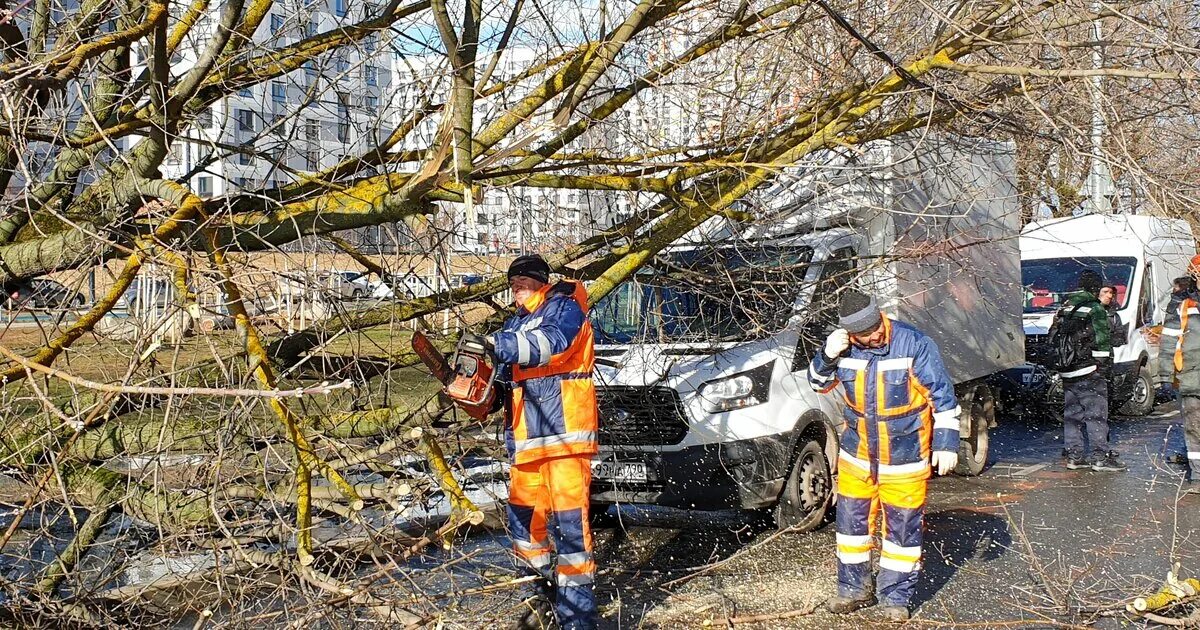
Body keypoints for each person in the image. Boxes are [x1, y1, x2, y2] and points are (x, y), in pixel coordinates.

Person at [807, 290, 961, 622]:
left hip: (905, 457)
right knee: (851, 529)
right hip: (857, 456)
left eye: (875, 325)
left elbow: (942, 396)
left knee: (902, 533)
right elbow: (818, 383)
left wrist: (947, 442)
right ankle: (853, 590)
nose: (874, 334)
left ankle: (896, 596)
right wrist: (826, 356)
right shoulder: (842, 348)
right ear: (850, 333)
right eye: (864, 332)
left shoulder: (914, 344)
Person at [473, 254, 599, 630]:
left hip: (565, 442)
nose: (516, 292)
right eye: (512, 287)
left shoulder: (564, 309)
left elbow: (550, 344)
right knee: (526, 531)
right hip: (526, 445)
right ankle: (541, 606)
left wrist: (495, 344)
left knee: (571, 533)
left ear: (539, 281)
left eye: (522, 284)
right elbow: (503, 388)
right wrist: (474, 390)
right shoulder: (515, 325)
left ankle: (577, 619)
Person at [1052, 270, 1125, 472]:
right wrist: (1100, 366)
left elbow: (1055, 333)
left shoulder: (1067, 306)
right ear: (1095, 288)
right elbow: (1102, 341)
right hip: (1088, 370)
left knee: (1072, 415)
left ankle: (1074, 457)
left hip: (1067, 369)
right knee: (1096, 415)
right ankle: (1100, 458)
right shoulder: (1095, 309)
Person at [1167, 256, 1200, 472]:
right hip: (1190, 374)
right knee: (1193, 426)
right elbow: (1170, 337)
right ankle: (1197, 473)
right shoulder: (1183, 305)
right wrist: (1164, 373)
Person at [1156, 276, 1198, 402]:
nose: (1173, 292)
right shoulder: (1178, 307)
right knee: (1193, 415)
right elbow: (1169, 340)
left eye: (1175, 289)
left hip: (1190, 373)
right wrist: (1165, 377)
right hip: (1190, 376)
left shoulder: (1180, 305)